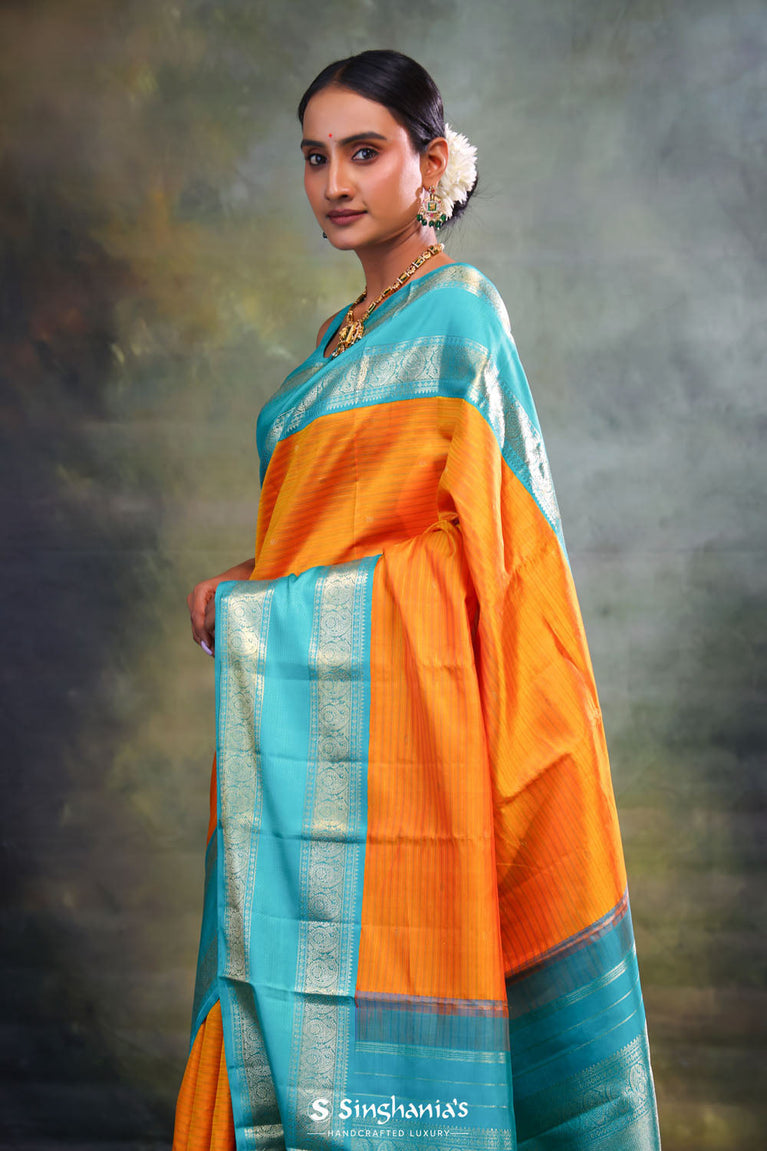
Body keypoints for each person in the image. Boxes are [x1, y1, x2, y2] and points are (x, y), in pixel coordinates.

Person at [172, 49, 661, 1151]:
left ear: (429, 163)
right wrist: (256, 585)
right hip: (312, 739)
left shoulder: (459, 317)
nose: (335, 183)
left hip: (417, 744)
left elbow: (474, 558)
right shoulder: (337, 340)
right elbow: (339, 539)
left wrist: (265, 614)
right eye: (314, 158)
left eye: (364, 152)